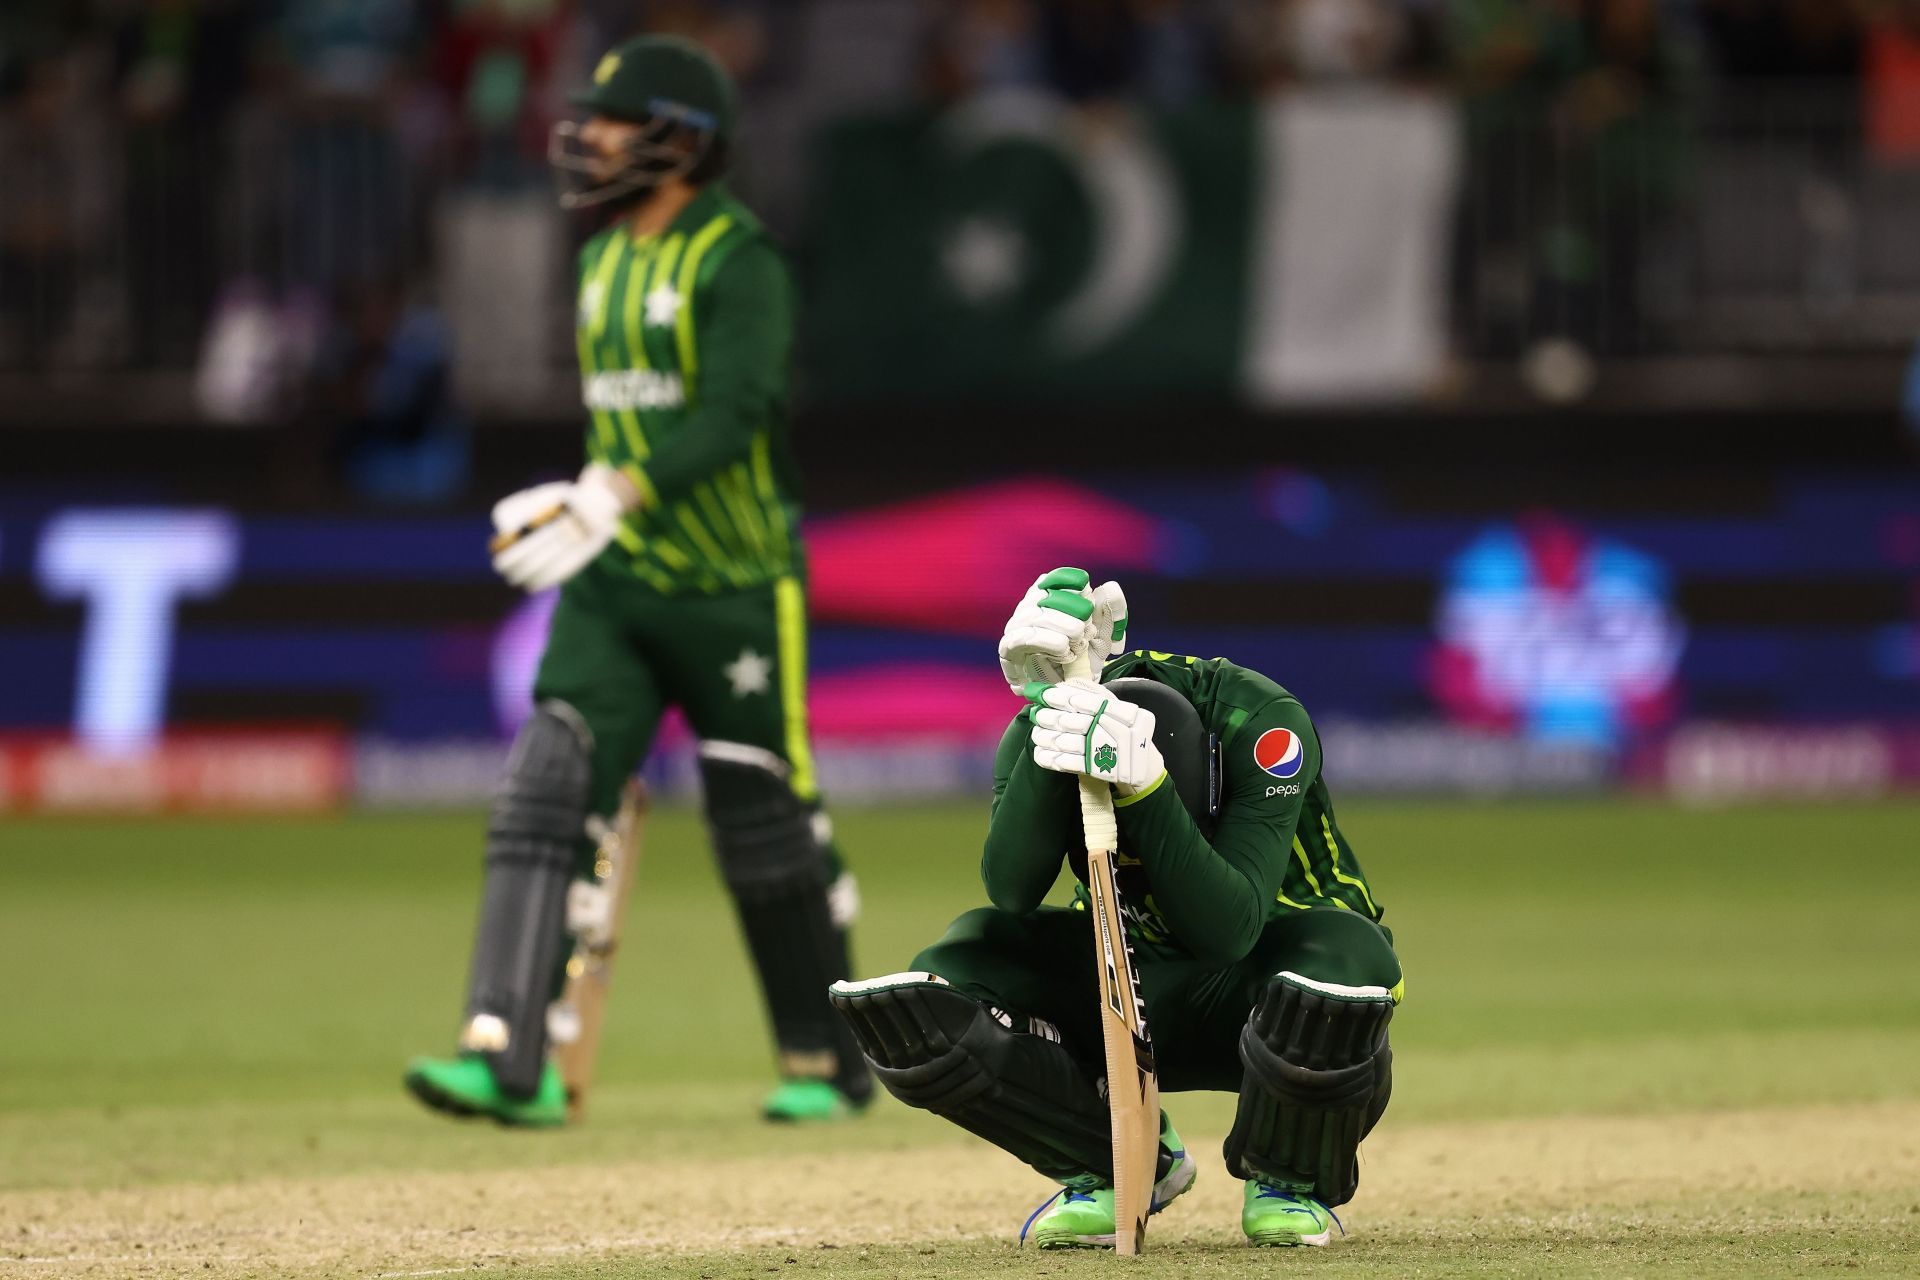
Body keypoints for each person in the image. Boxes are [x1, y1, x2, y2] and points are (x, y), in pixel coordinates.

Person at [404, 34, 870, 1127]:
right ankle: (506, 1055)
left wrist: (611, 492)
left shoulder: (737, 258)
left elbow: (736, 411)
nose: (593, 136)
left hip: (735, 586)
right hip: (615, 586)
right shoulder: (605, 255)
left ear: (681, 139)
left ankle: (826, 1058)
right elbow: (629, 417)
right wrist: (587, 500)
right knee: (545, 783)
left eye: (616, 118)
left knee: (762, 817)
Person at [830, 568, 1401, 1248]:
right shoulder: (1053, 719)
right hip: (1124, 987)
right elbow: (1010, 892)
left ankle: (1289, 1179)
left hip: (1270, 987)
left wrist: (1146, 790)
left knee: (1347, 962)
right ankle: (1114, 1163)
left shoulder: (1261, 722)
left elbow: (1230, 930)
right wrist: (1052, 712)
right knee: (948, 977)